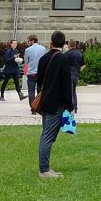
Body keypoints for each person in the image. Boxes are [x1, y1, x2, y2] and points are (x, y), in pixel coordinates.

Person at [36, 30, 77, 178]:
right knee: (48, 136)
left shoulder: (43, 59)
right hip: (57, 103)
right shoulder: (64, 59)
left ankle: (44, 168)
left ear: (51, 43)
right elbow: (67, 84)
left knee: (46, 134)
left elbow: (39, 81)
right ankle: (44, 170)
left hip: (45, 101)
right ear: (64, 44)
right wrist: (70, 105)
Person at [23, 34, 47, 106]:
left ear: (32, 41)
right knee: (40, 92)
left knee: (31, 91)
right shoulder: (43, 49)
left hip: (31, 73)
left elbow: (26, 61)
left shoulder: (28, 50)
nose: (28, 43)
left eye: (28, 41)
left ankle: (33, 108)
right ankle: (39, 106)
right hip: (41, 73)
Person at [66, 38, 85, 114]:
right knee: (73, 91)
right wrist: (79, 70)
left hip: (69, 75)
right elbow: (83, 65)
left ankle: (71, 108)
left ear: (69, 45)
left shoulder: (67, 54)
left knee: (69, 92)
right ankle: (75, 107)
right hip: (76, 75)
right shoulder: (79, 53)